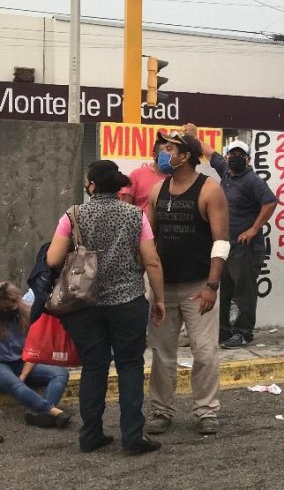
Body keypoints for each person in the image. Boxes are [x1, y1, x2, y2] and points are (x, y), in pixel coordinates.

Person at [46, 160, 166, 455]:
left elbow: (52, 259)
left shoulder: (73, 215)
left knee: (94, 366)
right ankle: (133, 437)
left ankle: (90, 436)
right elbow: (151, 260)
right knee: (129, 365)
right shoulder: (134, 215)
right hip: (128, 302)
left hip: (84, 304)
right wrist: (159, 299)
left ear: (92, 185)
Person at [145, 131, 229, 436]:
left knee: (205, 352)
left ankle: (207, 411)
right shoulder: (157, 190)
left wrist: (212, 286)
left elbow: (221, 242)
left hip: (198, 287)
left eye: (171, 148)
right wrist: (152, 286)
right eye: (164, 147)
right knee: (162, 353)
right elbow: (148, 239)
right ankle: (160, 410)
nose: (164, 152)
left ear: (187, 156)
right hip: (163, 287)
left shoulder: (210, 190)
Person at [185, 125, 278, 349]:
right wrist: (194, 137)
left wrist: (254, 229)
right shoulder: (225, 171)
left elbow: (271, 201)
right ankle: (224, 331)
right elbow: (208, 152)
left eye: (241, 155)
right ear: (227, 157)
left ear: (248, 160)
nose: (236, 158)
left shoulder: (252, 180)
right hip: (226, 245)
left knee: (244, 293)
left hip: (245, 247)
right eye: (233, 154)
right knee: (224, 289)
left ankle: (244, 333)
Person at [0, 281, 71, 429]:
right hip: (2, 365)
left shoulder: (28, 313)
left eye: (15, 305)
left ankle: (43, 416)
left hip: (24, 361)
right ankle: (52, 411)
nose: (12, 309)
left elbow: (34, 348)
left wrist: (24, 374)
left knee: (59, 373)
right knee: (14, 384)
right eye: (6, 308)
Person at [120, 138, 168, 210]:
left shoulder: (176, 177)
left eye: (171, 155)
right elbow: (125, 209)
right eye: (165, 155)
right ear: (154, 155)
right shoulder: (136, 175)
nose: (169, 158)